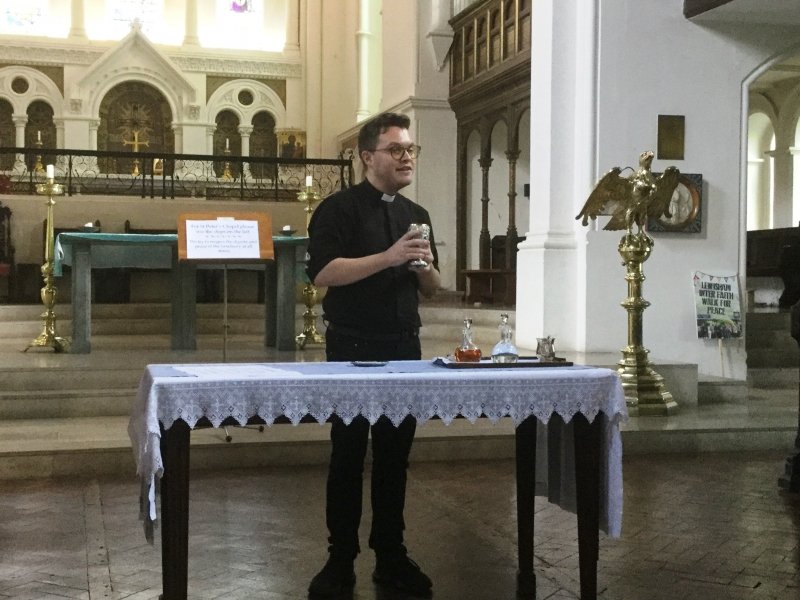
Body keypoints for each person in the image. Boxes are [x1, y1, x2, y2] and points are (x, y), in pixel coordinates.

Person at [305, 112, 440, 599]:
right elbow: (323, 273)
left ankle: (391, 554)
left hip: (404, 346)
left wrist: (422, 266)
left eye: (410, 149)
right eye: (396, 149)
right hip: (354, 346)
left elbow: (433, 287)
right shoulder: (338, 209)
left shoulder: (417, 213)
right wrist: (390, 256)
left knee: (394, 457)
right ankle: (340, 558)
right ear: (367, 157)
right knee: (347, 454)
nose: (407, 157)